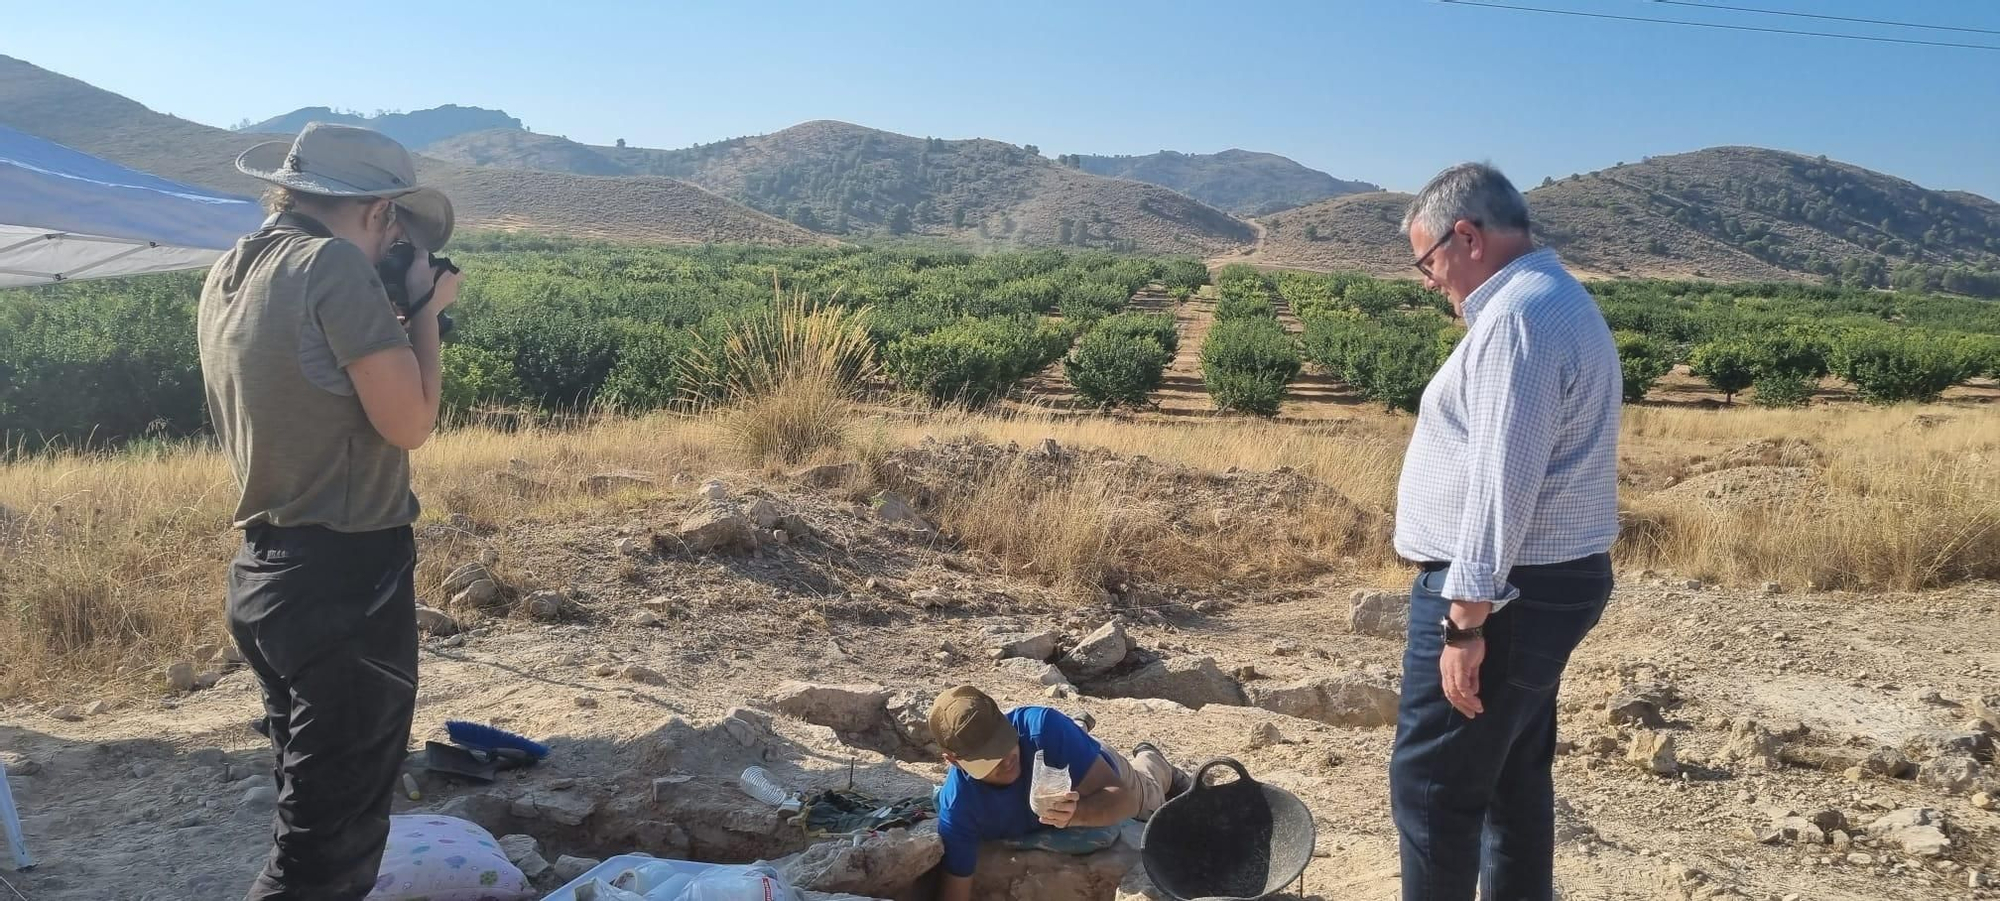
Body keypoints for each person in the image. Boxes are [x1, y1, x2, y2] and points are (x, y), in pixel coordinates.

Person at [198, 122, 460, 900]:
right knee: (323, 859)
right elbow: (410, 422)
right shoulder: (334, 266)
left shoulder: (232, 269)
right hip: (347, 579)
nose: (396, 252)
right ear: (379, 213)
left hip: (264, 575)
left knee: (306, 810)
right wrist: (423, 316)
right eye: (399, 235)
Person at [1387, 162, 1621, 901]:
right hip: (1545, 582)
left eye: (1427, 261)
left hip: (1506, 592)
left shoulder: (1518, 318)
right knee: (1510, 780)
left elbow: (1502, 481)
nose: (1427, 281)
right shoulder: (1552, 300)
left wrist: (1464, 621)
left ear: (1467, 237)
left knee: (1431, 787)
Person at [928, 686, 1187, 901]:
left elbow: (1125, 800)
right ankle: (1077, 726)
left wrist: (1078, 813)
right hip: (1065, 749)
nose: (1005, 758)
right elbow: (955, 888)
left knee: (1150, 796)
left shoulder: (1041, 727)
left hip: (1096, 771)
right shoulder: (958, 807)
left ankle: (1151, 757)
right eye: (989, 758)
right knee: (1063, 739)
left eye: (1003, 742)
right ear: (954, 761)